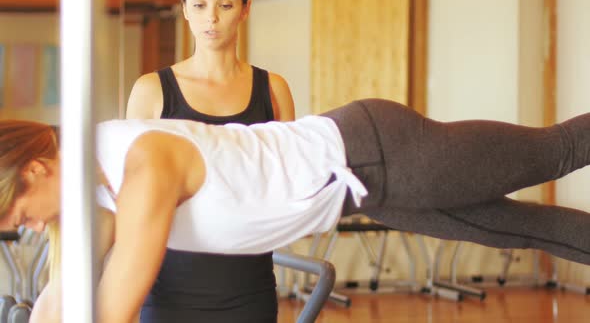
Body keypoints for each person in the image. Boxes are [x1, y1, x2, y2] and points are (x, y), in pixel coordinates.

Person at [1, 98, 590, 323]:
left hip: (381, 150)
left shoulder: (141, 164)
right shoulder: (94, 190)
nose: (26, 229)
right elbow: (61, 293)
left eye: (17, 215)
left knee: (556, 151)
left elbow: (113, 306)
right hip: (368, 190)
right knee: (522, 229)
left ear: (35, 169)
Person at [125, 0, 295, 321]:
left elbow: (283, 186)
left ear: (245, 10)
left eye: (226, 4)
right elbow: (134, 198)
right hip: (168, 288)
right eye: (200, 4)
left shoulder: (273, 89)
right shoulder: (150, 90)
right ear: (185, 10)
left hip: (249, 287)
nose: (212, 17)